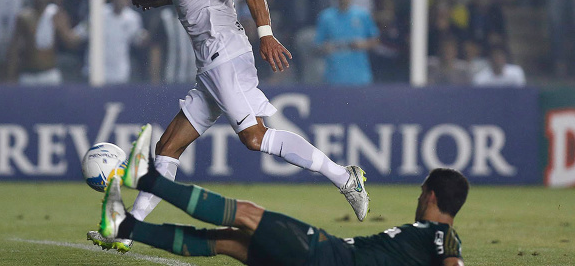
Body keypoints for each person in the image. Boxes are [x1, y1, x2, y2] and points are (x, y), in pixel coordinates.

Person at [86, 0, 370, 252]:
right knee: (168, 148)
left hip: (227, 62)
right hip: (211, 69)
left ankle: (344, 177)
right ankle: (127, 229)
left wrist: (265, 35)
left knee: (253, 137)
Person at [97, 135, 468, 266]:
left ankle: (146, 178)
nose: (418, 198)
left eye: (422, 192)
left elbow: (453, 262)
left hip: (325, 256)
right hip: (326, 259)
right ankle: (125, 225)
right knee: (230, 241)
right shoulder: (427, 236)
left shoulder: (441, 236)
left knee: (246, 214)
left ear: (432, 196)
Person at [5, 0, 83, 85]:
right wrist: (9, 76)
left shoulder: (56, 14)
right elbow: (14, 49)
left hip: (49, 74)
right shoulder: (24, 17)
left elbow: (70, 41)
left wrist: (83, 29)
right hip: (28, 75)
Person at [314, 0, 380, 86]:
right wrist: (325, 48)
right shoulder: (326, 17)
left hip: (360, 77)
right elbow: (317, 45)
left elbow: (375, 40)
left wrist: (363, 44)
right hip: (334, 77)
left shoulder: (362, 15)